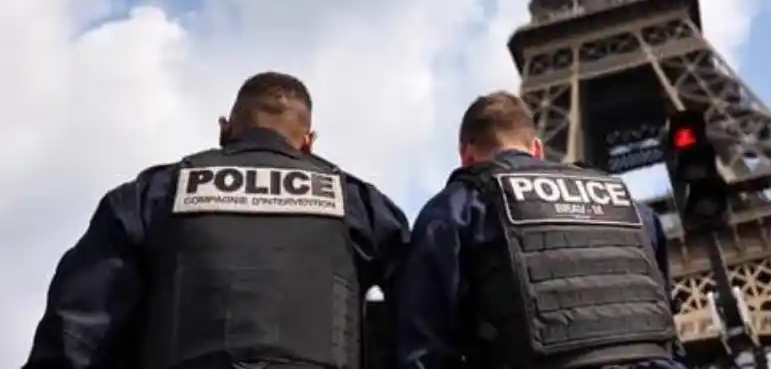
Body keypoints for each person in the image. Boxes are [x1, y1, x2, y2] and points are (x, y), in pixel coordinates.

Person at [23, 71, 410, 369]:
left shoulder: (152, 195)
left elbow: (77, 328)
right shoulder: (359, 205)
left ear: (225, 128)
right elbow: (421, 312)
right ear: (309, 142)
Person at [395, 91, 687, 369]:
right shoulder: (635, 210)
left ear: (467, 155)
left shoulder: (455, 208)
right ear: (537, 149)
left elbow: (425, 348)